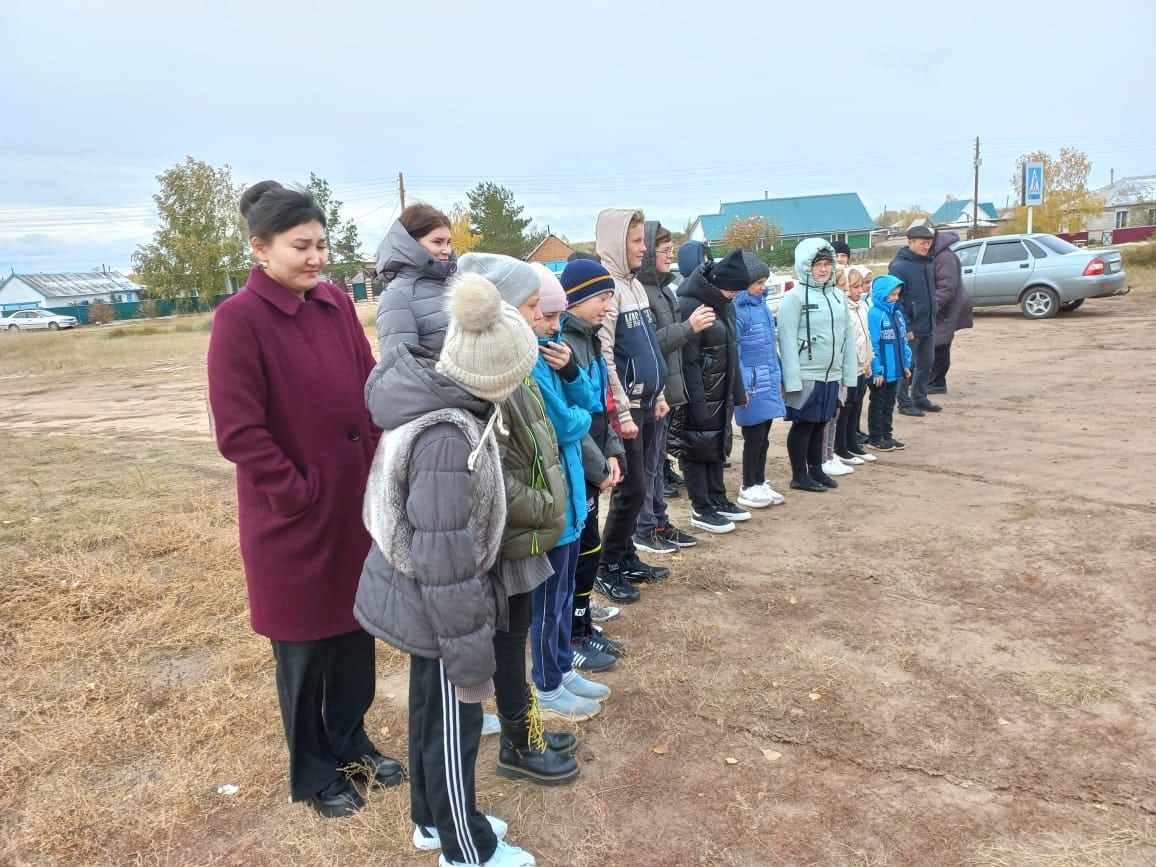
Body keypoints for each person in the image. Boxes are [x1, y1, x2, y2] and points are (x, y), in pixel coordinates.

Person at [206, 181, 403, 818]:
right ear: (260, 248)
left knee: (354, 636)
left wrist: (376, 464)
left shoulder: (337, 304)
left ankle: (352, 742)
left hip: (355, 502)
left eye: (322, 244)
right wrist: (298, 493)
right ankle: (314, 772)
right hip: (293, 519)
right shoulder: (240, 320)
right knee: (304, 650)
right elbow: (240, 433)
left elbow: (368, 388)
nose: (317, 257)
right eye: (301, 246)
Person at [354, 270, 541, 867]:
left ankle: (431, 820)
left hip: (423, 599)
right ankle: (466, 849)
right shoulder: (448, 438)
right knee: (453, 730)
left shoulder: (448, 404)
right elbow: (445, 560)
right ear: (500, 377)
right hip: (436, 609)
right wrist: (469, 657)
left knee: (430, 717)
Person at [453, 254, 582, 783]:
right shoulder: (485, 375)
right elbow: (486, 470)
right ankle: (517, 745)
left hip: (524, 529)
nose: (540, 316)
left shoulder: (518, 365)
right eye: (531, 307)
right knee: (508, 638)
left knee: (516, 631)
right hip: (508, 531)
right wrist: (543, 503)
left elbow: (539, 438)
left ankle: (522, 727)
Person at [593, 209, 670, 601]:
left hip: (646, 401)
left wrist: (657, 395)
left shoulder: (635, 286)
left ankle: (625, 556)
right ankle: (606, 565)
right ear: (616, 243)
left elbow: (650, 346)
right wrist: (621, 412)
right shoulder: (608, 288)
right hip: (626, 408)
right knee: (632, 489)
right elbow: (605, 355)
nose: (643, 248)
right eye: (637, 241)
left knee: (638, 489)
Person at [557, 258, 632, 647]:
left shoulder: (592, 338)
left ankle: (583, 623)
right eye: (603, 297)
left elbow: (602, 405)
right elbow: (571, 417)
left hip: (598, 461)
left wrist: (614, 451)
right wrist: (598, 465)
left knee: (591, 545)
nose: (607, 306)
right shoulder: (563, 344)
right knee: (581, 549)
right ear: (577, 298)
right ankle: (572, 632)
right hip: (579, 468)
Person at [634, 221, 711, 554]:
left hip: (668, 393)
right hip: (653, 394)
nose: (669, 255)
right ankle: (645, 528)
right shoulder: (642, 292)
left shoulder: (665, 289)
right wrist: (689, 328)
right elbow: (650, 344)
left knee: (656, 466)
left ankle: (659, 521)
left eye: (671, 249)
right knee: (648, 467)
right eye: (664, 250)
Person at [668, 249, 751, 533]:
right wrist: (696, 401)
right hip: (699, 393)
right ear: (717, 284)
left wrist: (737, 391)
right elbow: (687, 360)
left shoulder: (724, 304)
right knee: (695, 447)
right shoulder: (690, 306)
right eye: (732, 290)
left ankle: (718, 498)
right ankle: (700, 508)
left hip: (721, 389)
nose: (735, 295)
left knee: (716, 446)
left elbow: (731, 350)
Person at [776, 239, 859, 493]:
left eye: (826, 264)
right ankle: (799, 474)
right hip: (806, 373)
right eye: (817, 265)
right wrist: (792, 381)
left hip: (831, 373)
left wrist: (848, 376)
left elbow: (847, 337)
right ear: (804, 266)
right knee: (804, 424)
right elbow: (787, 340)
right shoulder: (794, 298)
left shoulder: (837, 296)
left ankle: (817, 469)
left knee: (821, 422)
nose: (822, 270)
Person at [733, 252, 787, 509]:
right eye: (758, 283)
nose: (763, 287)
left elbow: (770, 347)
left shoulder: (763, 307)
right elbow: (737, 352)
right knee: (753, 438)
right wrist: (741, 387)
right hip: (751, 387)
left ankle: (760, 481)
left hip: (767, 382)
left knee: (764, 437)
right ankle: (747, 485)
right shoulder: (737, 311)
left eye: (764, 282)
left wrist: (780, 376)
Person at [374, 203, 456, 357]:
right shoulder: (396, 297)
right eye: (437, 242)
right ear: (410, 244)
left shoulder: (456, 285)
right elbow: (401, 368)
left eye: (448, 242)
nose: (447, 251)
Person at [890, 224, 940, 416]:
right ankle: (904, 402)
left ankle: (920, 397)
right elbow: (896, 299)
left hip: (927, 322)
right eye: (922, 243)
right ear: (910, 242)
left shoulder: (927, 263)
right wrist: (906, 325)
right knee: (907, 365)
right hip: (911, 325)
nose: (926, 247)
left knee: (927, 362)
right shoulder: (899, 266)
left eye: (929, 243)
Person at [834, 266, 877, 464]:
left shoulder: (862, 307)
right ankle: (840, 447)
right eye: (855, 286)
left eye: (862, 286)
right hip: (849, 367)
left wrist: (868, 361)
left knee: (857, 404)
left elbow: (866, 336)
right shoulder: (844, 310)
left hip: (862, 365)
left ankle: (853, 443)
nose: (860, 290)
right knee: (846, 407)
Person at [866, 275, 912, 452]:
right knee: (878, 402)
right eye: (892, 294)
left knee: (889, 403)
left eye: (898, 294)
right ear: (881, 294)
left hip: (896, 370)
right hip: (881, 372)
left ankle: (887, 435)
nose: (896, 298)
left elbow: (903, 341)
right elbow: (873, 344)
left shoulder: (897, 314)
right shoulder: (875, 314)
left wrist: (905, 363)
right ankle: (876, 437)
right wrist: (877, 369)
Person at [928, 230, 972, 393]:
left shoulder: (945, 258)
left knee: (940, 343)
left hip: (947, 309)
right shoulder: (934, 255)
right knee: (932, 343)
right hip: (938, 307)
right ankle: (930, 379)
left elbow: (947, 287)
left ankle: (937, 382)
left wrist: (933, 307)